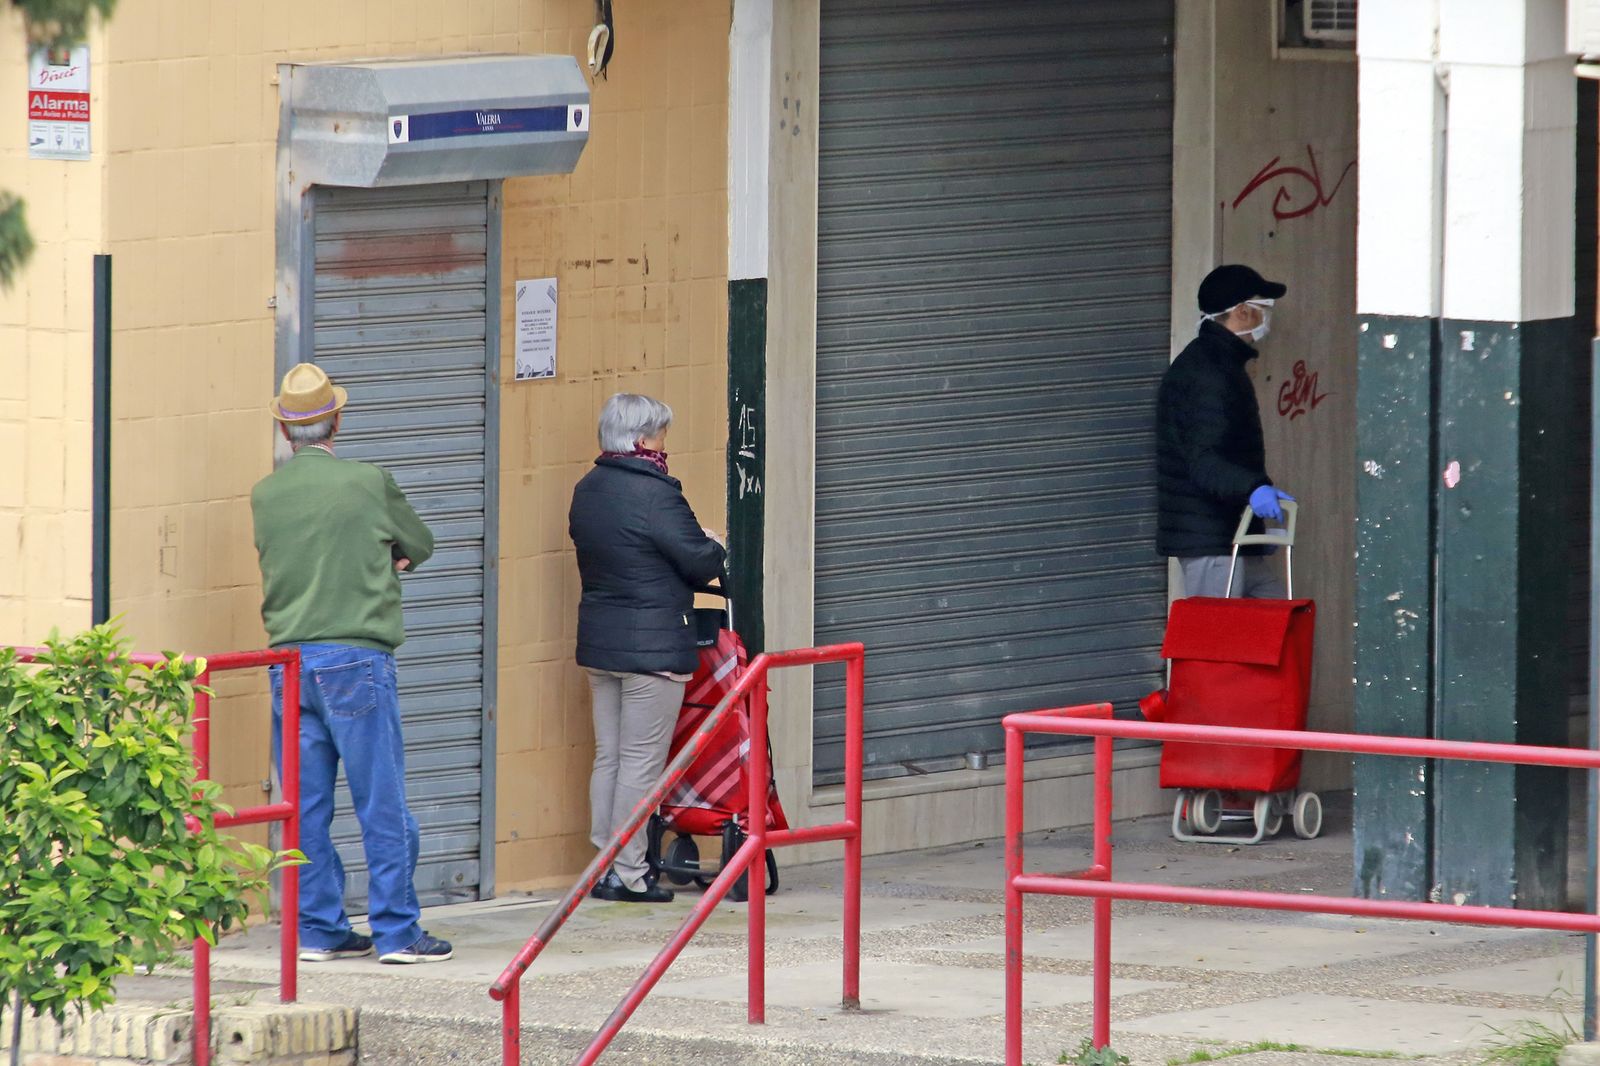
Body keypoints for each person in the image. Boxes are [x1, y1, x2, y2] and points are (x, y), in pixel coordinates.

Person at [251, 363, 453, 964]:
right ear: (336, 419)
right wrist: (388, 559)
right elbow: (421, 543)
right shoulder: (369, 482)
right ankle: (395, 931)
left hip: (287, 662)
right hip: (356, 659)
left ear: (287, 431)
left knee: (305, 804)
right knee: (379, 799)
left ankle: (316, 928)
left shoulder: (266, 494)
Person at [568, 393, 727, 903]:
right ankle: (630, 872)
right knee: (640, 762)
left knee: (610, 758)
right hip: (653, 650)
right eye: (661, 436)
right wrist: (714, 542)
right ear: (641, 441)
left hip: (601, 644)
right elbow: (700, 561)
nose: (665, 446)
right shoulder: (656, 495)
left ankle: (602, 865)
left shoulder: (588, 488)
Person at [1156, 264, 1295, 598]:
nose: (1267, 319)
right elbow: (1204, 460)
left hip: (1229, 535)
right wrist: (1254, 489)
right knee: (1220, 644)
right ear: (1243, 312)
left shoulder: (1219, 365)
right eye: (1264, 308)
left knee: (1274, 623)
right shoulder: (1207, 373)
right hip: (1211, 540)